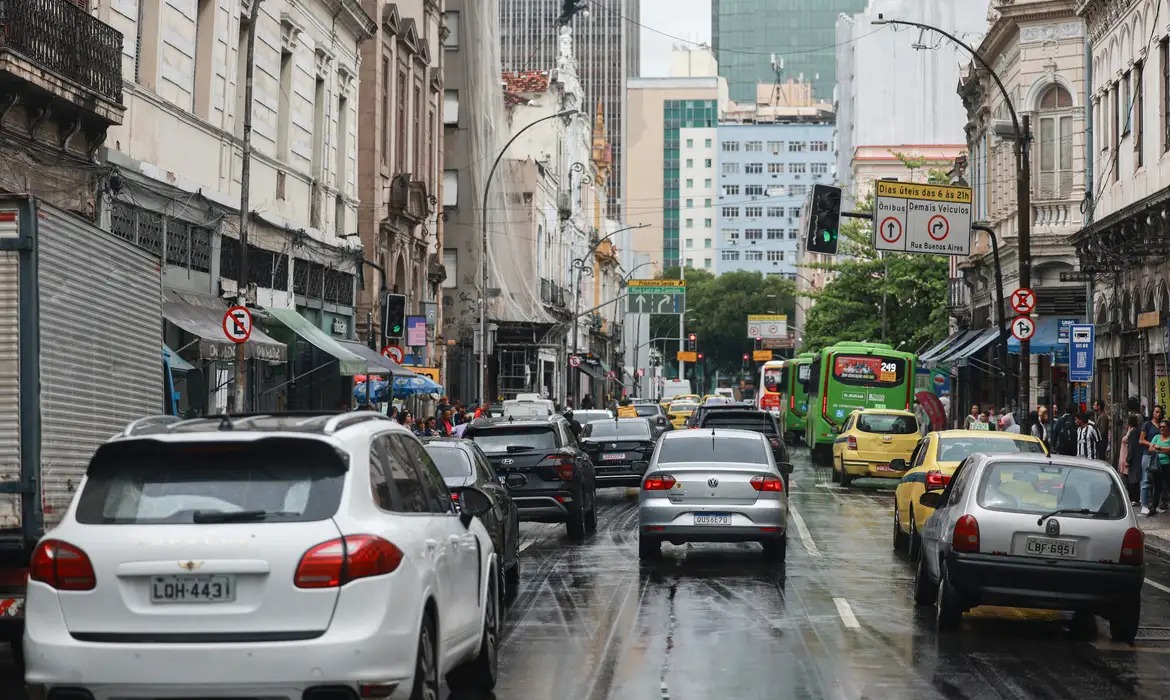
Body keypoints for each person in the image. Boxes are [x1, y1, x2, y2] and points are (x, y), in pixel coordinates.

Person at [1138, 405, 1164, 515]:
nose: (1158, 414)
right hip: (1148, 455)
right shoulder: (1147, 424)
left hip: (1160, 456)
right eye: (1156, 412)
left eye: (1160, 412)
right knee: (1146, 480)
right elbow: (1141, 440)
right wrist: (1152, 444)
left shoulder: (1162, 426)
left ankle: (1155, 505)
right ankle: (1144, 505)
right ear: (1152, 412)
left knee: (1158, 482)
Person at [1144, 419, 1170, 517]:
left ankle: (1164, 503)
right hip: (1156, 466)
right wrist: (1162, 450)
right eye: (1160, 427)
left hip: (1167, 465)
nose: (1162, 428)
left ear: (1168, 428)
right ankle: (1153, 507)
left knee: (1166, 485)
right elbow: (1151, 448)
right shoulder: (1156, 437)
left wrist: (1159, 448)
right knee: (1156, 487)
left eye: (1164, 427)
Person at [1119, 414, 1138, 503]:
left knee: (1128, 478)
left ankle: (1133, 497)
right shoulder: (1130, 430)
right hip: (1124, 455)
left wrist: (1128, 460)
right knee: (1125, 476)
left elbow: (1131, 447)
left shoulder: (1133, 432)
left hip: (1127, 455)